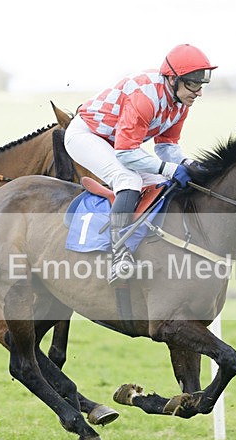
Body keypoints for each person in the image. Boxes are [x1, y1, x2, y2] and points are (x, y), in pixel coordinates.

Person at [63, 44, 216, 283]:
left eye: (201, 85)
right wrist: (170, 168)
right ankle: (118, 253)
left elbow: (166, 147)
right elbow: (125, 153)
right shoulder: (145, 97)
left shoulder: (180, 103)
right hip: (86, 135)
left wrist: (188, 164)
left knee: (164, 183)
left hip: (117, 141)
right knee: (128, 179)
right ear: (173, 79)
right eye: (193, 84)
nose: (198, 92)